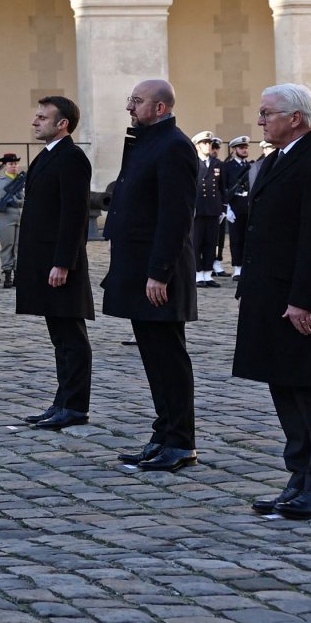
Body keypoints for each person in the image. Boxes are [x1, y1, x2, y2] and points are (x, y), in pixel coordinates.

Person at [233, 83, 311, 519]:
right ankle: (298, 477)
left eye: (268, 113)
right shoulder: (278, 159)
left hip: (303, 298)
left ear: (296, 118)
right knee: (283, 384)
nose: (261, 120)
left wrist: (303, 298)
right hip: (270, 293)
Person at [102, 78, 201, 472]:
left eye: (137, 101)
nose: (130, 107)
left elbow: (176, 217)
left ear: (159, 108)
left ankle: (181, 442)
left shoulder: (174, 145)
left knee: (168, 358)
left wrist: (159, 272)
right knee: (153, 358)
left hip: (160, 273)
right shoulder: (146, 142)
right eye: (130, 99)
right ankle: (163, 433)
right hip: (138, 269)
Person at [17, 96, 94, 430]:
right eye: (36, 115)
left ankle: (75, 406)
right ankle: (62, 401)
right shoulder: (47, 156)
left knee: (72, 337)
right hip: (43, 260)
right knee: (59, 337)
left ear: (62, 123)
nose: (35, 121)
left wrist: (63, 262)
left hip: (60, 264)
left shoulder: (72, 158)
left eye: (42, 117)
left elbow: (74, 216)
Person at [192, 131, 227, 287]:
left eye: (209, 143)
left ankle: (207, 273)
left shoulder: (217, 163)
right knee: (196, 242)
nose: (208, 146)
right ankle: (198, 273)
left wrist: (224, 207)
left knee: (210, 243)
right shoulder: (193, 163)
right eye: (204, 143)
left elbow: (222, 187)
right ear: (198, 146)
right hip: (197, 210)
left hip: (213, 209)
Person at [0, 154, 27, 289]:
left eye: (16, 164)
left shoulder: (22, 181)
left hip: (20, 215)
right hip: (5, 216)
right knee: (8, 246)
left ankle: (18, 275)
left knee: (20, 247)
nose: (14, 166)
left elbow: (27, 200)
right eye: (11, 164)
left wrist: (18, 201)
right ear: (5, 166)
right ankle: (7, 275)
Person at [222, 134, 254, 276]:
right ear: (234, 150)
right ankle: (237, 268)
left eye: (246, 147)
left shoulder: (250, 166)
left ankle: (247, 267)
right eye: (241, 147)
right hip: (234, 204)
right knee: (236, 237)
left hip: (247, 204)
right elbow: (223, 187)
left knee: (248, 237)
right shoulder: (227, 167)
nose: (245, 150)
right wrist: (226, 207)